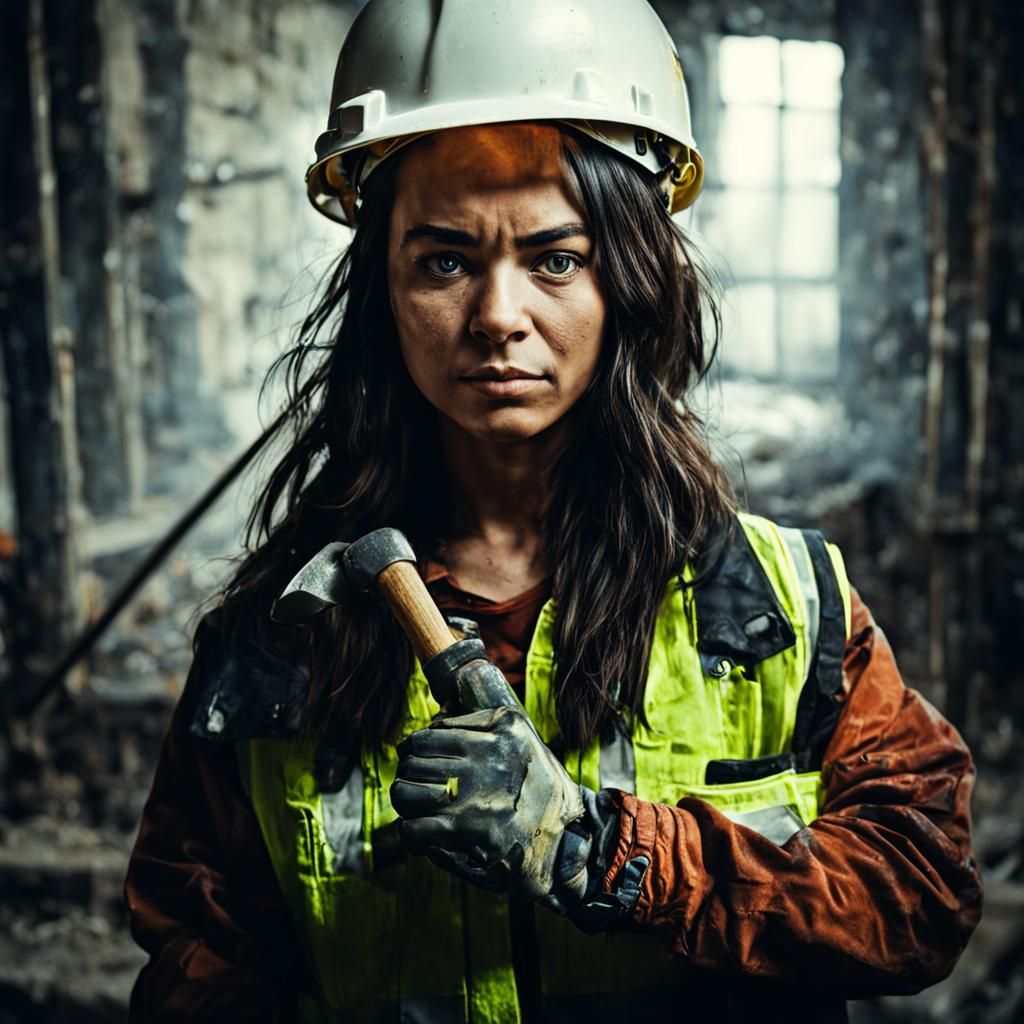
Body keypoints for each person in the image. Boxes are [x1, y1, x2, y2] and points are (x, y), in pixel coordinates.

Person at [124, 1, 982, 1021]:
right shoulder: (273, 645)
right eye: (443, 259)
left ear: (628, 279)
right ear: (381, 291)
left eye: (554, 259)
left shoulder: (777, 613)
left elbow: (921, 893)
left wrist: (600, 850)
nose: (496, 315)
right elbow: (201, 969)